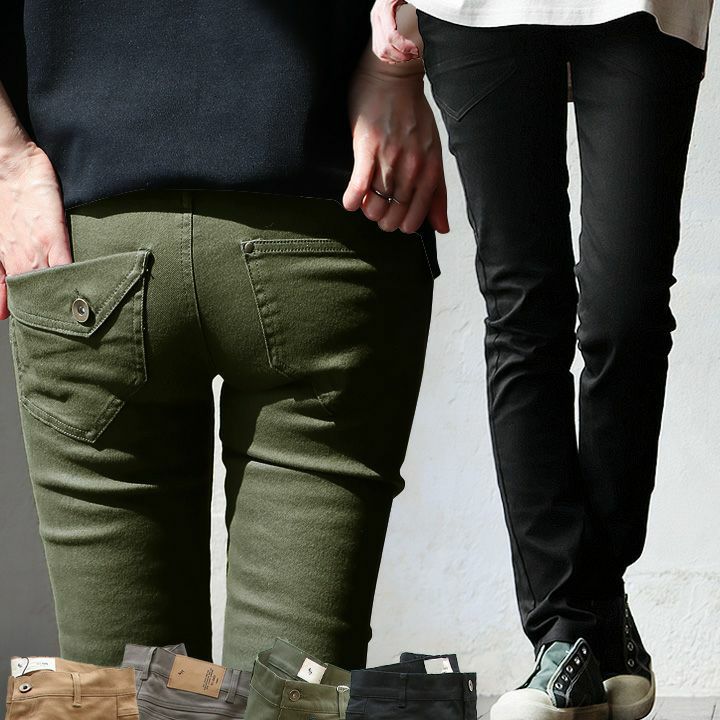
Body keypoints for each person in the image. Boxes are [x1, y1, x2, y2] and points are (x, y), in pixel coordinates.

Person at [0, 1, 447, 672]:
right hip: (326, 214)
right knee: (293, 698)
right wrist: (396, 58)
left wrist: (5, 161)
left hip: (87, 235)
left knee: (115, 698)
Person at [370, 2, 713, 720]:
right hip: (475, 10)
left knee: (627, 311)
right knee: (524, 311)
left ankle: (597, 604)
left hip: (642, 9)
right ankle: (565, 633)